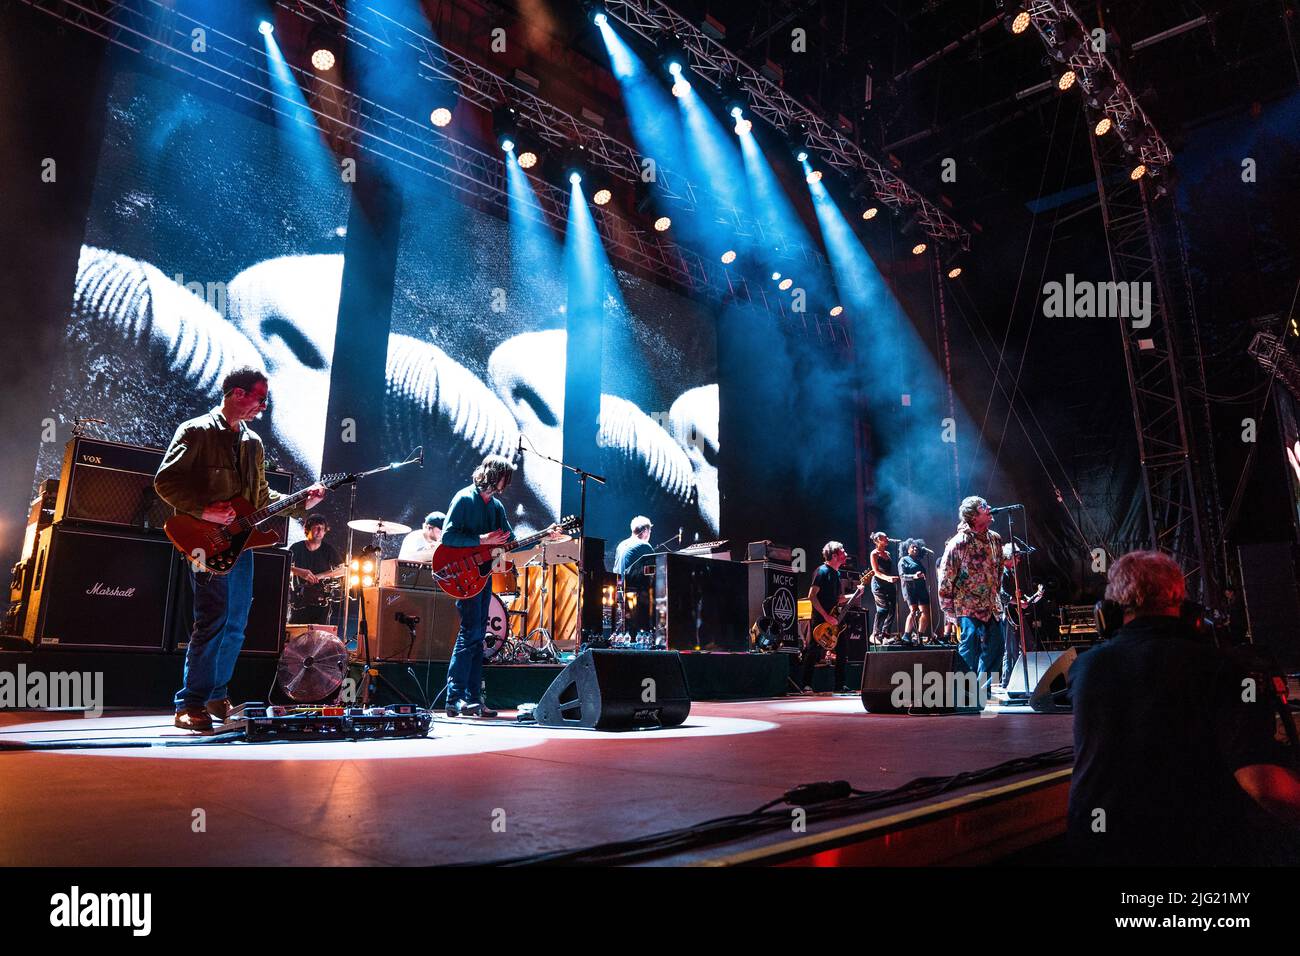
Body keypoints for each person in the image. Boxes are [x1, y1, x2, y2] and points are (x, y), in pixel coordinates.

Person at [1068, 550, 1300, 865]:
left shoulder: (1084, 668)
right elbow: (1261, 784)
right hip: (1186, 847)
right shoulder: (1220, 668)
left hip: (1092, 847)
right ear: (1187, 608)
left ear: (1107, 613)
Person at [155, 367, 327, 731]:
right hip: (205, 541)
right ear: (236, 393)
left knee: (235, 623)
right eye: (259, 398)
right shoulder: (196, 431)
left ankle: (217, 694)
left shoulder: (253, 443)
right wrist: (204, 510)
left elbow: (262, 498)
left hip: (241, 546)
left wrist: (302, 502)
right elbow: (165, 481)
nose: (262, 407)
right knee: (212, 619)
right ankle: (191, 702)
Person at [936, 496, 1004, 681]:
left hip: (991, 605)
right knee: (970, 646)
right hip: (967, 606)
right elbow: (945, 578)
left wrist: (997, 594)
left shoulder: (995, 539)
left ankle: (983, 689)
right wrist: (949, 612)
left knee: (997, 647)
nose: (989, 507)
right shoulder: (958, 543)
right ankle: (964, 691)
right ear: (973, 516)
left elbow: (999, 569)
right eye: (984, 506)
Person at [801, 541, 850, 692]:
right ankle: (805, 684)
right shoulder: (821, 571)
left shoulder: (837, 574)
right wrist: (825, 616)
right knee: (813, 650)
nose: (846, 554)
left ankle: (839, 685)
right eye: (843, 551)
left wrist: (854, 594)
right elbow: (812, 596)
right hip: (821, 618)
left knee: (842, 649)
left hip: (834, 618)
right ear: (834, 555)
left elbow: (838, 598)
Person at [288, 515, 344, 625]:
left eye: (322, 529)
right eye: (316, 527)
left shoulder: (328, 549)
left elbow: (343, 570)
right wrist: (300, 572)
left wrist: (320, 576)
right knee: (297, 632)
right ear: (307, 529)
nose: (319, 531)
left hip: (321, 600)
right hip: (299, 600)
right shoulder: (296, 547)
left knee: (319, 635)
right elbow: (284, 566)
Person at [868, 531, 901, 645]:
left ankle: (885, 635)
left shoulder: (888, 553)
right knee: (883, 609)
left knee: (892, 610)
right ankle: (875, 634)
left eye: (887, 537)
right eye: (884, 537)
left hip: (889, 585)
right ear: (877, 541)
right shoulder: (874, 554)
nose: (887, 539)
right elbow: (876, 572)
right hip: (878, 585)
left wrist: (894, 577)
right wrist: (887, 578)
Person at [899, 538, 931, 644]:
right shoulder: (903, 560)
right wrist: (914, 576)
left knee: (926, 612)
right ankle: (906, 635)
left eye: (917, 547)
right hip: (910, 589)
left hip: (921, 588)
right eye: (912, 547)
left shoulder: (919, 562)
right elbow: (902, 576)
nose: (915, 548)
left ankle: (920, 635)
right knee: (914, 611)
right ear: (907, 549)